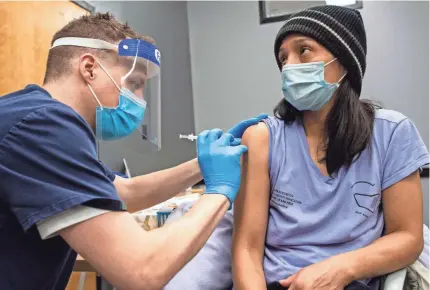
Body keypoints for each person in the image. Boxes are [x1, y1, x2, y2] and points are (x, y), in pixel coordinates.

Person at [0, 12, 267, 290]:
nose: (140, 101)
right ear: (89, 68)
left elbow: (126, 192)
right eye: (135, 84)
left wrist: (202, 163)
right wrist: (220, 190)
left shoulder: (29, 115)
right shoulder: (44, 127)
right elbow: (142, 271)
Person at [233, 5, 429, 290]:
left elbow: (408, 237)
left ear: (345, 61)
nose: (289, 66)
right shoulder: (261, 138)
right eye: (283, 58)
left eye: (304, 51)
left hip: (353, 282)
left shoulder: (391, 133)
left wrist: (341, 268)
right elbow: (246, 250)